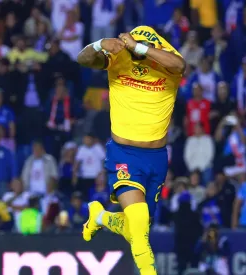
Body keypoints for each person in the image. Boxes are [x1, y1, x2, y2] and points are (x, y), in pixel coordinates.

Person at [77, 25, 185, 275]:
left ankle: (101, 217)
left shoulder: (168, 61)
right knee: (138, 228)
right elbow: (82, 59)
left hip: (156, 159)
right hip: (123, 154)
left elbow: (180, 66)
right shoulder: (118, 57)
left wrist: (139, 48)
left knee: (139, 226)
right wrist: (99, 44)